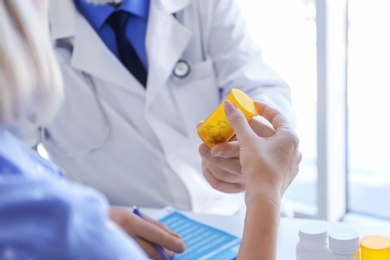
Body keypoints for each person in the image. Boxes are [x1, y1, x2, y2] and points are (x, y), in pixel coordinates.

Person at [0, 1, 301, 258]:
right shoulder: (27, 23)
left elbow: (257, 84)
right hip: (131, 231)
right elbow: (20, 166)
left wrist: (253, 150)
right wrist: (94, 219)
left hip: (231, 217)